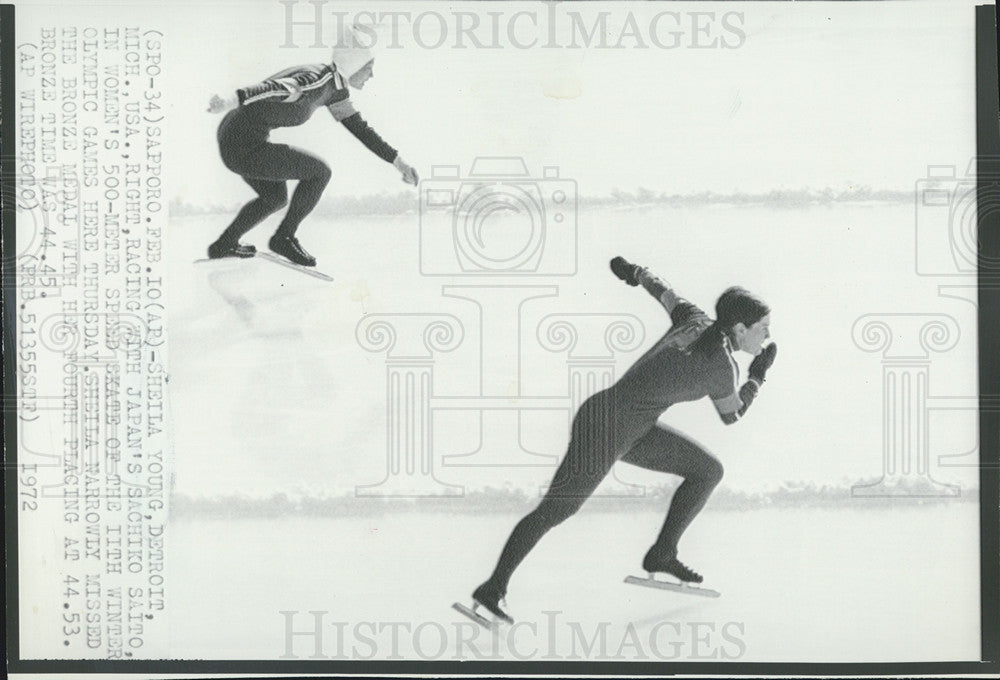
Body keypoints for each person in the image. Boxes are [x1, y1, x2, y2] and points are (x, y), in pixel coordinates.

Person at [470, 256, 778, 623]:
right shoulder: (723, 369)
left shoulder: (694, 318)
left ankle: (662, 554)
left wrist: (633, 272)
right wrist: (757, 376)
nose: (767, 336)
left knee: (707, 471)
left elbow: (662, 291)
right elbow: (734, 414)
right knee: (556, 510)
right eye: (763, 328)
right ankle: (494, 588)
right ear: (740, 329)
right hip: (607, 428)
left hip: (630, 426)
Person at [205, 33, 418, 267]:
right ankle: (284, 238)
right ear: (354, 64)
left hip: (239, 138)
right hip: (241, 144)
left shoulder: (335, 91)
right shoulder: (316, 80)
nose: (372, 75)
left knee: (274, 198)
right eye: (369, 68)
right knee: (320, 172)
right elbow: (272, 89)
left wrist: (399, 162)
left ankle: (224, 244)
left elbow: (360, 129)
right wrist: (229, 100)